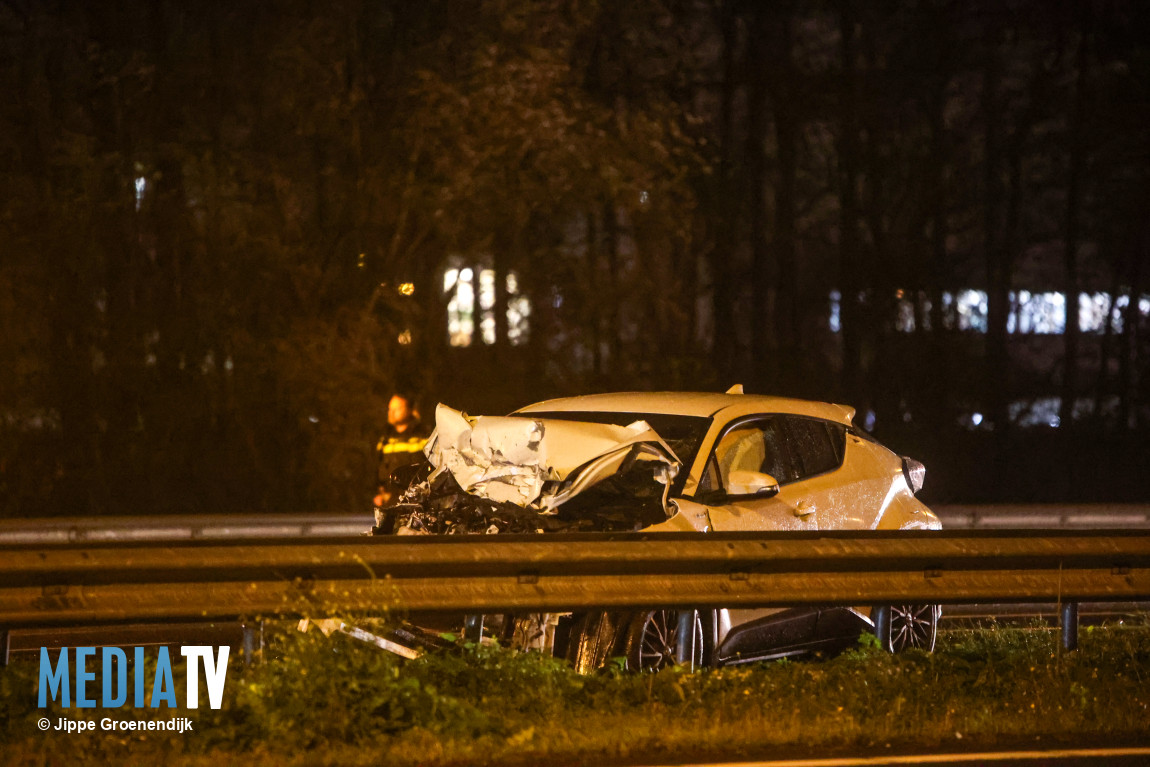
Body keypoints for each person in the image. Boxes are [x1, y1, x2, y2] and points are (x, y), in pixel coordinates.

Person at [372, 392, 430, 509]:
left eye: (396, 409)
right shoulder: (385, 437)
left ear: (409, 410)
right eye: (390, 409)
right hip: (388, 500)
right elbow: (376, 466)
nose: (391, 412)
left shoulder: (422, 435)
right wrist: (377, 493)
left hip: (415, 499)